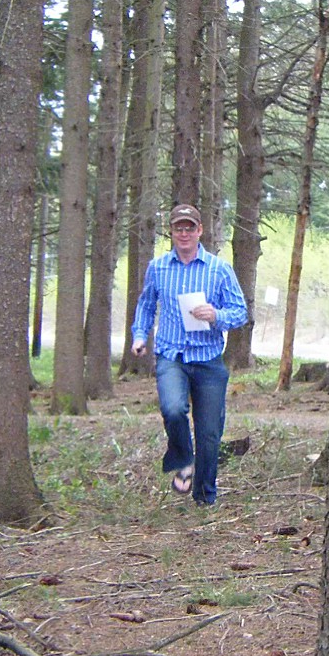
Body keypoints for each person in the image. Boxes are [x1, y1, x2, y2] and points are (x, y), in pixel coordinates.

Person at [131, 204, 249, 505]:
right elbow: (146, 305)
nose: (184, 233)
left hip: (209, 359)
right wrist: (139, 336)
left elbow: (240, 313)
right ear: (171, 232)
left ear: (200, 231)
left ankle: (205, 497)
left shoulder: (219, 269)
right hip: (172, 355)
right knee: (173, 409)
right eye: (178, 228)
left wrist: (215, 315)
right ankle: (183, 460)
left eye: (189, 228)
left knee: (209, 434)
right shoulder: (158, 267)